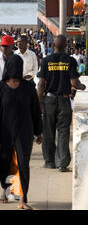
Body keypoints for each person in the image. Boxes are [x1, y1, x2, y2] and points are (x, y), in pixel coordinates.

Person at [0, 54, 43, 210]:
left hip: (24, 132)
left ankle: (22, 199)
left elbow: (35, 110)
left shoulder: (28, 87)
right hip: (4, 133)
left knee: (23, 164)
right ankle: (5, 190)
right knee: (5, 162)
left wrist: (39, 132)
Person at [37, 35, 86, 172]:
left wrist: (38, 102)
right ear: (65, 46)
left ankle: (49, 161)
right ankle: (62, 163)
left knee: (48, 131)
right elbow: (75, 83)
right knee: (63, 131)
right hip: (64, 100)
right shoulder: (70, 61)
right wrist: (82, 87)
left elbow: (41, 84)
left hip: (49, 100)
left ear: (54, 45)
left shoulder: (46, 61)